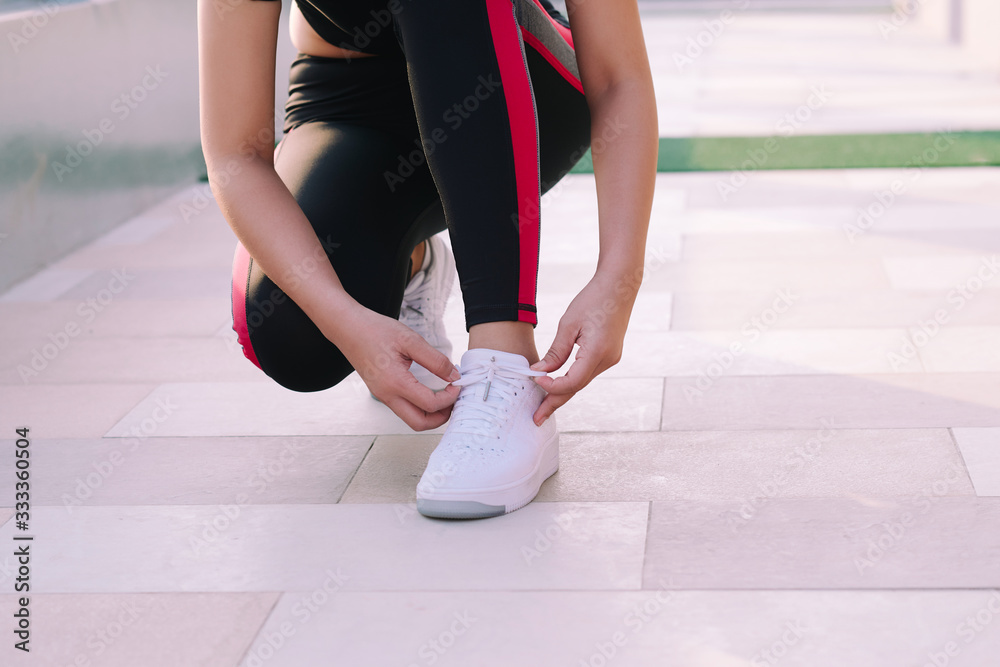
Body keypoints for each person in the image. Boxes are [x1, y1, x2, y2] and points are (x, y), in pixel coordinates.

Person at [197, 0, 657, 518]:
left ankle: (503, 367)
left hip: (523, 75)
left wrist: (620, 275)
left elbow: (620, 77)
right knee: (293, 335)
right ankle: (415, 264)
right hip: (351, 99)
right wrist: (345, 321)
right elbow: (234, 154)